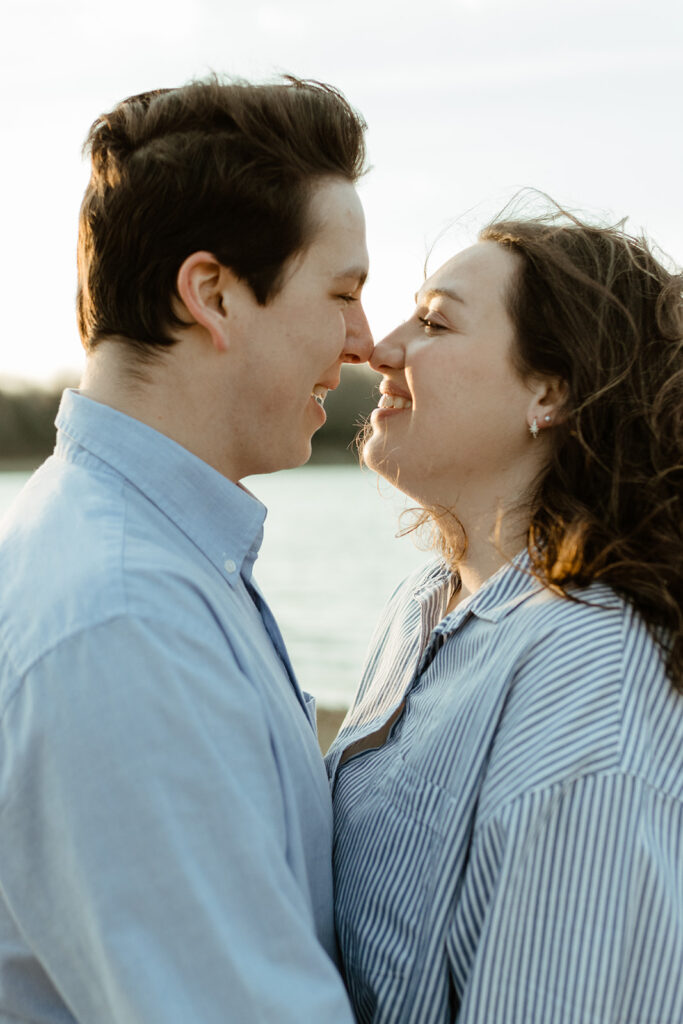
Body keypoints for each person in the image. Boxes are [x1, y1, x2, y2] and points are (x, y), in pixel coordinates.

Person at [0, 77, 372, 1022]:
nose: (365, 343)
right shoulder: (123, 617)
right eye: (341, 293)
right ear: (212, 295)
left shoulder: (151, 563)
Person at [327, 202, 683, 1023]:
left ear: (550, 391)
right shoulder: (422, 608)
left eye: (434, 325)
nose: (380, 350)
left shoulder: (593, 680)